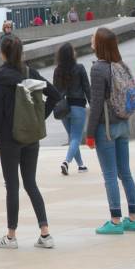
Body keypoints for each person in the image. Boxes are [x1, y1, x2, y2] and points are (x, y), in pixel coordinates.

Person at [0, 36, 60, 249]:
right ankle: (45, 233)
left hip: (9, 139)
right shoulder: (30, 73)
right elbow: (55, 95)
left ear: (3, 53)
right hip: (31, 137)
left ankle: (11, 236)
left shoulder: (0, 78)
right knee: (30, 183)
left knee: (12, 186)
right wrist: (38, 120)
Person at [87, 27, 135, 234]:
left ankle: (115, 220)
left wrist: (90, 133)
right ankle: (134, 218)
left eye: (93, 38)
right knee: (125, 172)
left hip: (106, 128)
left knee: (109, 174)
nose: (91, 40)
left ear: (99, 44)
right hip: (123, 124)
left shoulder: (98, 69)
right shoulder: (121, 65)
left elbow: (97, 104)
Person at [52, 42, 89, 175]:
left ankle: (81, 165)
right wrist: (94, 105)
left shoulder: (57, 71)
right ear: (71, 54)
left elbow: (55, 91)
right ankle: (66, 161)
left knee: (72, 137)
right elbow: (87, 88)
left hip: (63, 109)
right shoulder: (79, 68)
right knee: (76, 138)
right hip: (78, 106)